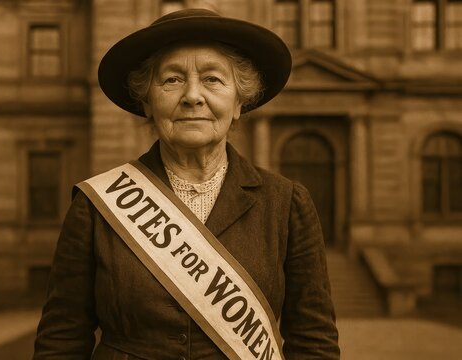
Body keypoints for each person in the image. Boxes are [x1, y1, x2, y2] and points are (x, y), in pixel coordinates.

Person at [33, 8, 340, 360]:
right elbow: (61, 341)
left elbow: (314, 342)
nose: (193, 96)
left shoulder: (286, 204)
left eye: (212, 79)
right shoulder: (96, 206)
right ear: (147, 103)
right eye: (172, 80)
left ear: (239, 103)